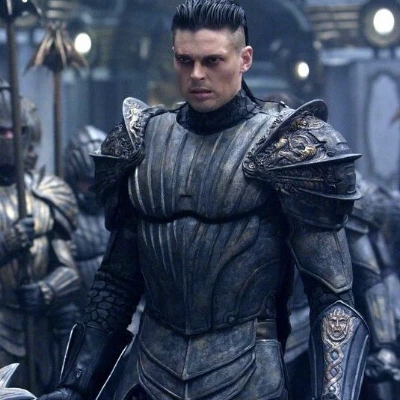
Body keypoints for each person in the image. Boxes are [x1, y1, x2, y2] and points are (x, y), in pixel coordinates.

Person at [39, 1, 369, 399]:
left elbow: (333, 298)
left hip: (248, 377)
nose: (196, 74)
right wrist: (76, 385)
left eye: (212, 60)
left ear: (245, 59)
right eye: (185, 60)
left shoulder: (289, 147)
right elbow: (116, 283)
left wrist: (333, 394)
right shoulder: (140, 142)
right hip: (148, 374)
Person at [0, 79, 80, 393]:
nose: (8, 138)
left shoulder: (47, 193)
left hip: (39, 329)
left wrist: (47, 290)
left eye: (14, 131)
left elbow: (69, 270)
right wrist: (6, 245)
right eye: (1, 132)